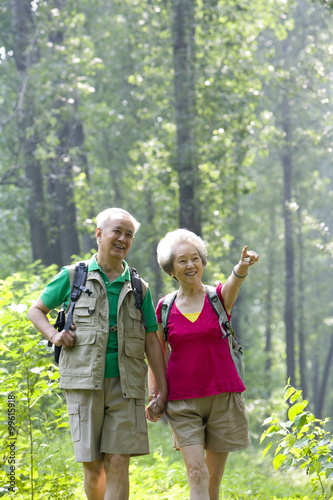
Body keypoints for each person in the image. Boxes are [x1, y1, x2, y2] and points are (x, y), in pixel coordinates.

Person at [28, 208, 167, 500]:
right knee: (93, 467)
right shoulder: (72, 276)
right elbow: (36, 310)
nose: (123, 238)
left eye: (129, 234)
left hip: (126, 386)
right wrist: (54, 335)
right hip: (83, 385)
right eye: (117, 231)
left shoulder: (139, 287)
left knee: (118, 461)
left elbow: (152, 342)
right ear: (100, 233)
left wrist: (161, 390)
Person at [147, 228, 259, 500]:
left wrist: (241, 266)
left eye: (195, 258)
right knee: (196, 473)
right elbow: (157, 354)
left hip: (222, 396)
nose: (190, 265)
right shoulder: (164, 307)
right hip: (182, 402)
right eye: (182, 260)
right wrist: (154, 394)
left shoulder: (217, 298)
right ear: (171, 269)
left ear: (202, 262)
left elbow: (235, 283)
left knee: (213, 482)